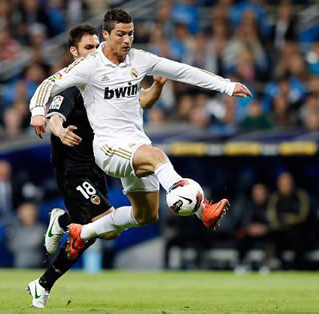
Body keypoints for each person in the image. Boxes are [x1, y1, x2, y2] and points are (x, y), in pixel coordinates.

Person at [29, 9, 251, 261]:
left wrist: (226, 85)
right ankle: (203, 210)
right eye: (120, 34)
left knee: (145, 216)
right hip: (109, 148)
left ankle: (83, 232)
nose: (127, 40)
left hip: (136, 145)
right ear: (106, 35)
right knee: (158, 157)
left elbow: (182, 70)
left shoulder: (139, 59)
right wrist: (37, 111)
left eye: (131, 34)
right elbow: (48, 84)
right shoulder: (89, 66)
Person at [26, 24, 166, 308]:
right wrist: (60, 130)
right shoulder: (72, 84)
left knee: (94, 232)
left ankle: (44, 278)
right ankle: (59, 234)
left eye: (96, 46)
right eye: (88, 48)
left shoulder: (107, 79)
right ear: (74, 52)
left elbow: (142, 103)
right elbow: (55, 114)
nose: (95, 52)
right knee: (100, 225)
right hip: (72, 168)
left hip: (97, 165)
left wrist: (157, 86)